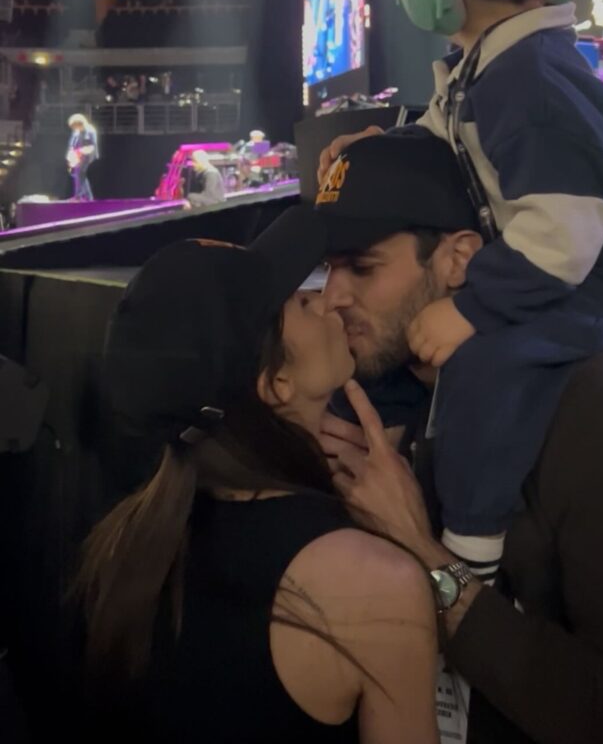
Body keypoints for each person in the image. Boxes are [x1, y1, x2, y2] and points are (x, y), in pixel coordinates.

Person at [319, 0, 603, 583]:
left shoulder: (527, 83)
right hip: (573, 263)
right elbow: (450, 130)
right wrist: (381, 142)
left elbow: (565, 233)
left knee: (482, 370)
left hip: (600, 281)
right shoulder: (494, 62)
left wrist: (473, 309)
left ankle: (471, 557)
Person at [316, 133, 603, 744]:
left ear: (458, 258)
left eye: (362, 267)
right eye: (328, 267)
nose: (332, 298)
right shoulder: (387, 401)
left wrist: (422, 555)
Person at [74, 209, 439, 744]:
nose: (327, 299)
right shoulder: (375, 584)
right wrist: (426, 556)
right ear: (276, 384)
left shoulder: (123, 542)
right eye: (300, 301)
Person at [66, 113, 98, 201]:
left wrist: (81, 151)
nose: (73, 129)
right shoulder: (76, 131)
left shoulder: (90, 130)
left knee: (80, 174)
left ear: (80, 123)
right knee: (79, 175)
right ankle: (86, 197)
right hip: (76, 157)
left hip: (86, 156)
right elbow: (72, 144)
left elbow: (92, 145)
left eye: (74, 126)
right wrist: (71, 155)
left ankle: (79, 196)